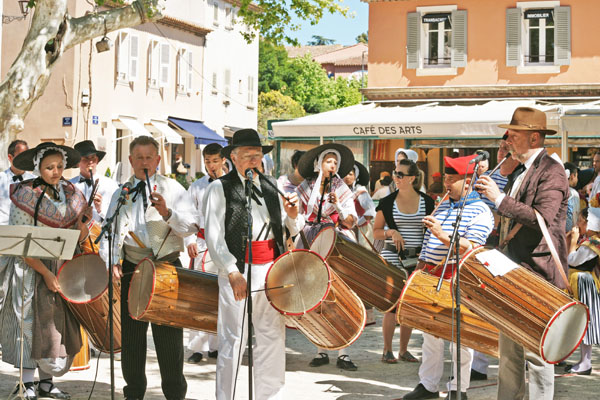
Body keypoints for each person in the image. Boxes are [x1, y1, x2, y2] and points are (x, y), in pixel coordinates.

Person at [476, 107, 569, 400]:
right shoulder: (520, 170)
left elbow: (541, 217)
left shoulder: (552, 171)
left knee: (537, 356)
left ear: (534, 138)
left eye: (513, 136)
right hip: (514, 271)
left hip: (538, 275)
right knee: (509, 354)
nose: (507, 141)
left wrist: (499, 198)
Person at [204, 128, 302, 400]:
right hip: (238, 270)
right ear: (232, 158)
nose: (253, 161)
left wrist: (293, 215)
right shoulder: (219, 188)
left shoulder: (272, 186)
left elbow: (288, 228)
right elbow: (214, 236)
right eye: (247, 156)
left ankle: (270, 396)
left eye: (257, 155)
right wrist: (232, 272)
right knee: (233, 339)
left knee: (272, 336)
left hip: (271, 269)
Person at [103, 136, 196, 400]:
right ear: (131, 161)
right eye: (139, 158)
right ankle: (133, 394)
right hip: (133, 267)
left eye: (149, 157)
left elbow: (190, 227)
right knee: (132, 340)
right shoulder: (121, 193)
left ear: (158, 160)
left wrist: (167, 213)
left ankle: (175, 394)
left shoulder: (174, 189)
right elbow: (110, 232)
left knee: (169, 339)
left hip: (166, 266)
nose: (144, 162)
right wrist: (112, 262)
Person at [1, 142, 91, 400]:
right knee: (28, 323)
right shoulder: (24, 193)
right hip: (31, 267)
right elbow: (22, 243)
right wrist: (46, 273)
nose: (55, 171)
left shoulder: (72, 194)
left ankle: (46, 382)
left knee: (54, 326)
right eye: (49, 167)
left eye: (60, 166)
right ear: (38, 167)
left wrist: (84, 221)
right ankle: (27, 382)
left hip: (62, 266)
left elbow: (79, 235)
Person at [403, 154, 494, 400]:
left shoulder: (481, 210)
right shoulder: (443, 204)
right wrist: (421, 266)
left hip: (459, 278)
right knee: (430, 333)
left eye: (451, 178)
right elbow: (430, 242)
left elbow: (473, 247)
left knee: (460, 339)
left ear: (467, 182)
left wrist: (442, 234)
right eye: (445, 177)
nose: (446, 182)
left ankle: (458, 388)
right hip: (432, 274)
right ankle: (428, 385)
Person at [295, 143, 359, 371]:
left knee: (339, 293)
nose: (332, 165)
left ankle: (344, 352)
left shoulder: (342, 188)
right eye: (328, 161)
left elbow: (351, 221)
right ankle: (320, 348)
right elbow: (297, 214)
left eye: (335, 162)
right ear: (319, 164)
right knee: (314, 294)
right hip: (309, 239)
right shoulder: (306, 186)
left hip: (334, 240)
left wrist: (339, 207)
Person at [373, 159, 434, 365]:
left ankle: (404, 350)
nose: (396, 177)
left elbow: (431, 233)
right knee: (392, 305)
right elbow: (376, 232)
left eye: (400, 174)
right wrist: (391, 232)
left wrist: (425, 259)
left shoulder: (427, 202)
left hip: (417, 259)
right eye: (395, 173)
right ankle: (387, 349)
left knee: (409, 304)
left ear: (411, 178)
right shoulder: (388, 201)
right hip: (392, 258)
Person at [185, 143, 226, 363]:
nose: (211, 166)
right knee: (200, 295)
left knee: (222, 294)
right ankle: (197, 347)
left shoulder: (231, 184)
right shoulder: (197, 186)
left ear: (223, 161)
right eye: (207, 162)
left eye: (215, 161)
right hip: (201, 242)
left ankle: (218, 345)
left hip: (224, 244)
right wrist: (190, 239)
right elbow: (187, 215)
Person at [565, 208, 599, 375]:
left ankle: (585, 362)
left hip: (585, 284)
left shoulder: (592, 244)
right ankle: (582, 360)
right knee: (581, 321)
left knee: (586, 322)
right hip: (581, 282)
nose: (577, 224)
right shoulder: (590, 241)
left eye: (580, 221)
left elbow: (573, 260)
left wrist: (572, 243)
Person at [343, 161, 377, 325]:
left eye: (351, 174)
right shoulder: (339, 192)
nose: (348, 177)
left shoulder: (361, 192)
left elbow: (370, 212)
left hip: (361, 236)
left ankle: (367, 313)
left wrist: (355, 222)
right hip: (346, 235)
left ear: (355, 176)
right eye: (346, 174)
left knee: (363, 273)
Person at [69, 140, 119, 224]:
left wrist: (100, 209)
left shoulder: (111, 185)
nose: (90, 162)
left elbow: (118, 216)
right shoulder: (69, 186)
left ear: (97, 160)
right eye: (85, 158)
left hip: (101, 235)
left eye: (93, 158)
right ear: (78, 163)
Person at [0, 140, 35, 225]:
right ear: (10, 157)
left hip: (26, 232)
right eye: (20, 156)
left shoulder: (35, 181)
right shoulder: (1, 178)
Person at [564, 162, 581, 232]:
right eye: (576, 176)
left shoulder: (556, 190)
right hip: (569, 234)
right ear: (572, 176)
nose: (577, 179)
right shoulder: (573, 194)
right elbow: (574, 216)